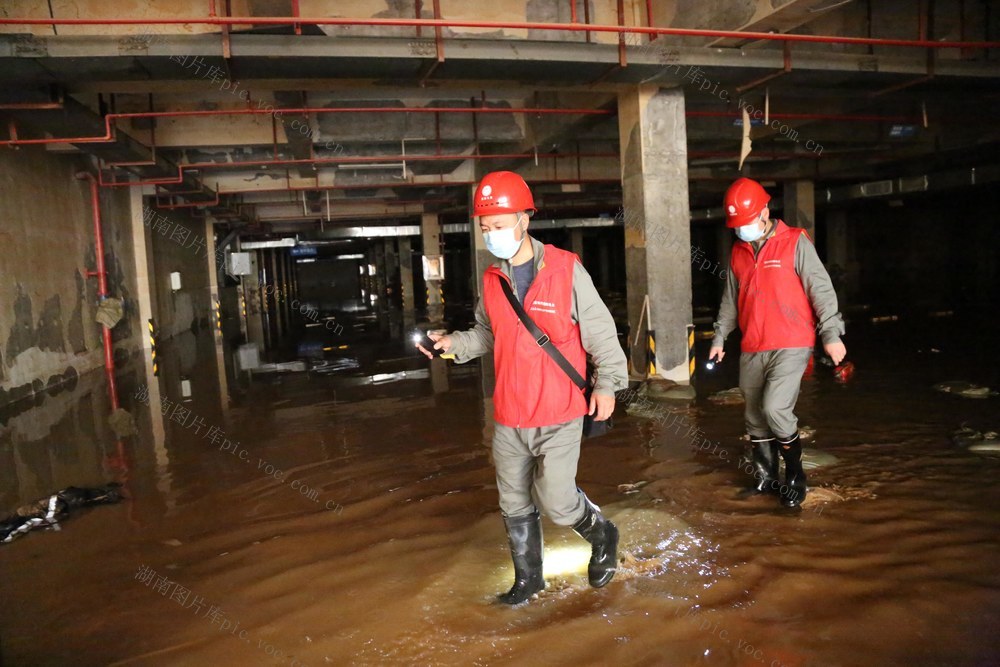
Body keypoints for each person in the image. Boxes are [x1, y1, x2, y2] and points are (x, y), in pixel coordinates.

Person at [416, 171, 629, 604]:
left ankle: (603, 534)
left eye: (498, 225)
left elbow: (602, 333)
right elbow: (487, 334)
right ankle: (529, 582)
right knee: (513, 500)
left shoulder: (566, 270)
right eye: (485, 228)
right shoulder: (493, 279)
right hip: (510, 414)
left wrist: (607, 384)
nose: (491, 235)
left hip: (559, 410)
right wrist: (451, 344)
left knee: (558, 500)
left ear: (524, 219)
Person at [709, 177, 846, 508]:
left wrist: (830, 334)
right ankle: (765, 478)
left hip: (792, 342)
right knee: (755, 416)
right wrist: (719, 336)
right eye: (736, 226)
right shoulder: (738, 252)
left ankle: (795, 475)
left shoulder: (795, 242)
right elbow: (730, 300)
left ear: (765, 212)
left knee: (775, 408)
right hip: (753, 345)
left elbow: (821, 290)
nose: (741, 230)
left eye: (746, 222)